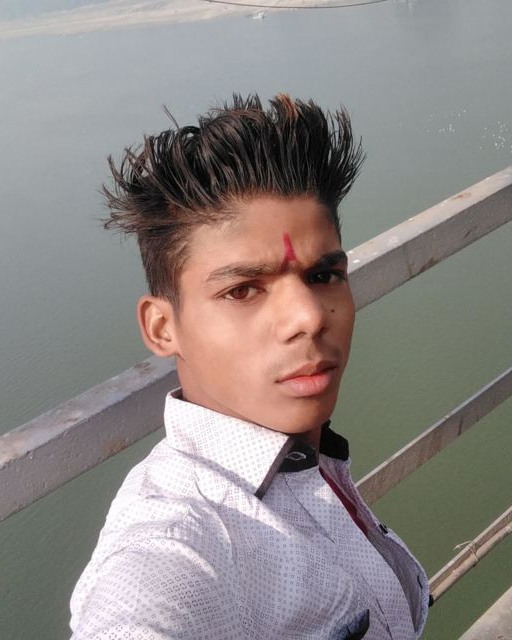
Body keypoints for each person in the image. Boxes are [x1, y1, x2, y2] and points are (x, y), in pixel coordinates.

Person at [69, 94, 429, 639]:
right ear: (162, 328)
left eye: (324, 276)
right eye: (242, 290)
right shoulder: (178, 544)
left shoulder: (304, 459)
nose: (309, 317)